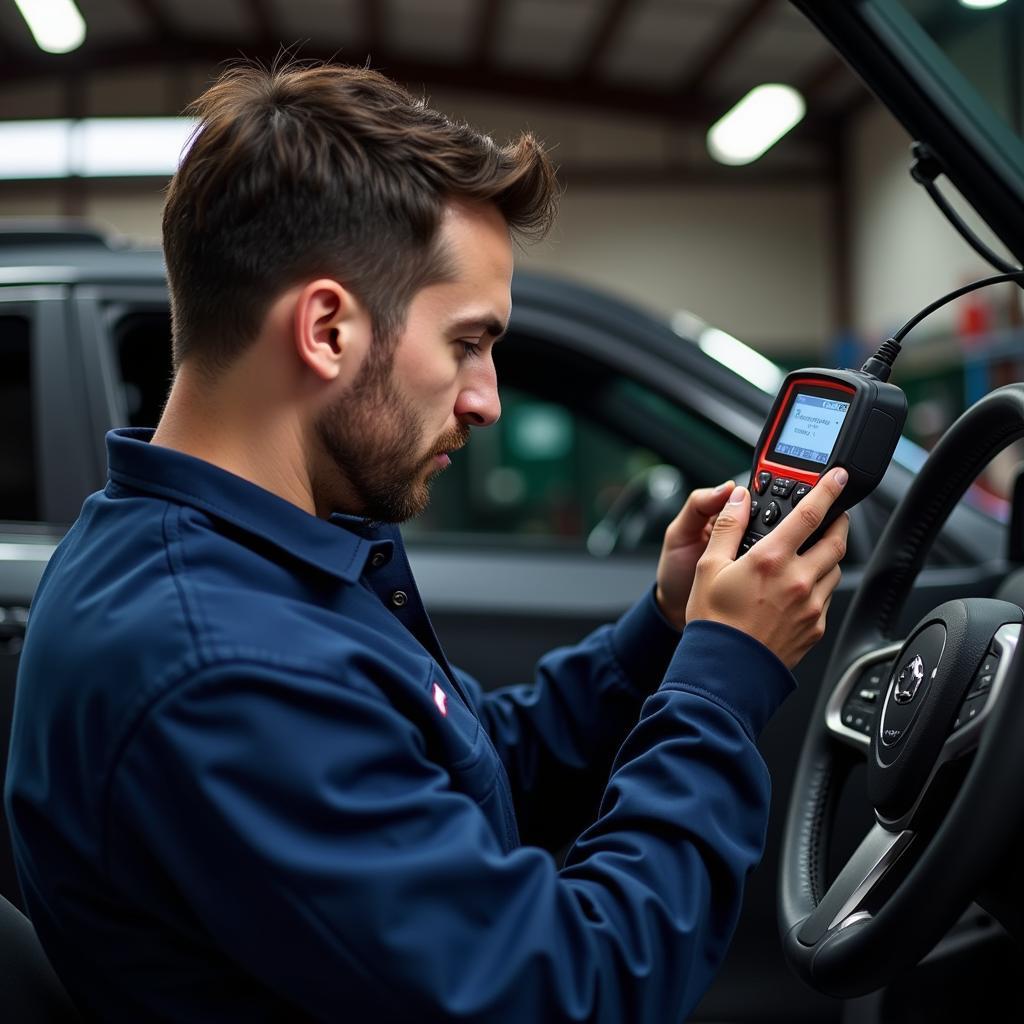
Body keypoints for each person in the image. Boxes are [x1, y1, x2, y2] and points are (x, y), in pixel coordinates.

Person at [5, 62, 849, 1023]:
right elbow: (572, 993)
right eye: (467, 343)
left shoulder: (238, 558)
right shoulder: (226, 667)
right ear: (327, 329)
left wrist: (665, 628)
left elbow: (473, 762)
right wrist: (724, 683)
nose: (487, 398)